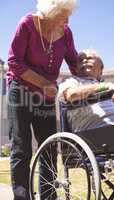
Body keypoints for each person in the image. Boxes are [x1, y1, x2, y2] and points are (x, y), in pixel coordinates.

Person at [7, 0, 81, 199]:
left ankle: (48, 196)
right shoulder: (28, 24)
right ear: (49, 12)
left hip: (46, 95)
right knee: (21, 147)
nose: (67, 20)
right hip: (20, 91)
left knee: (48, 147)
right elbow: (14, 62)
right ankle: (21, 196)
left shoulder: (65, 33)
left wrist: (91, 78)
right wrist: (43, 83)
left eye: (68, 15)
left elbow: (74, 62)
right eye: (62, 14)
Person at [58, 49, 114, 132]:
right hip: (101, 129)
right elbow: (71, 95)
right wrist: (104, 86)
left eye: (89, 58)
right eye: (80, 60)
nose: (85, 60)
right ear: (76, 69)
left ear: (100, 70)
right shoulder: (71, 81)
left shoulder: (111, 87)